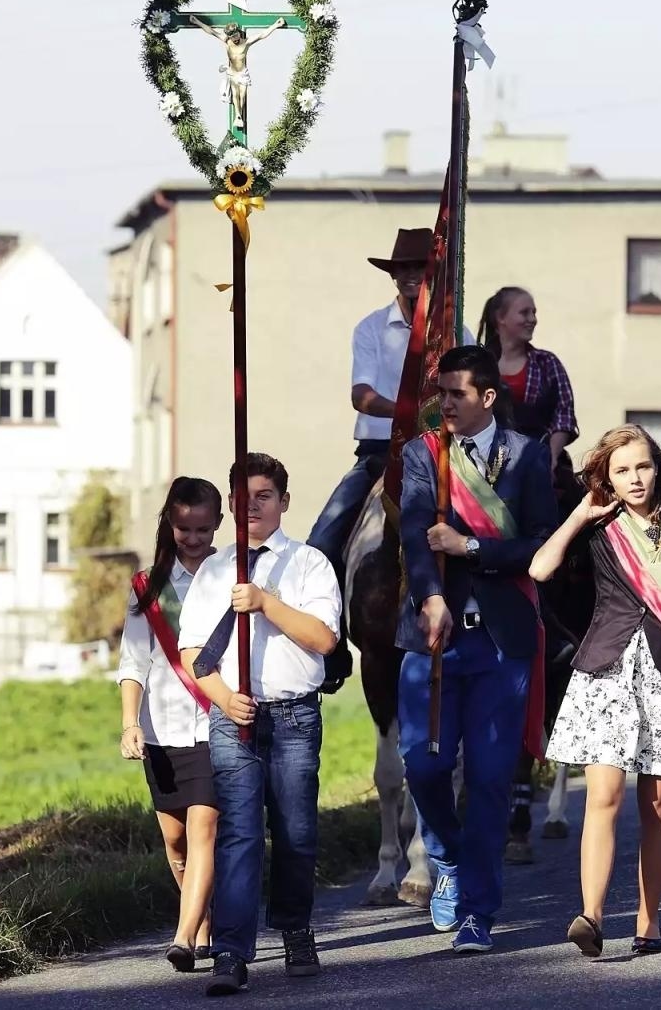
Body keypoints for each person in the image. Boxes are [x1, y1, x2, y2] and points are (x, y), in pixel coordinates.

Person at [531, 425, 661, 958]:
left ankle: (649, 922)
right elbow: (539, 568)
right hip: (608, 671)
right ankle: (590, 917)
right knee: (603, 795)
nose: (634, 478)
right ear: (607, 479)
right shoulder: (601, 526)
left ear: (658, 467)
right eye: (621, 470)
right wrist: (579, 514)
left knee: (660, 805)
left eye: (641, 466)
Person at [395, 345, 556, 953]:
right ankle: (445, 856)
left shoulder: (527, 456)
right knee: (424, 765)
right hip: (432, 636)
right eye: (440, 394)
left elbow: (541, 546)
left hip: (501, 642)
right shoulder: (422, 452)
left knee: (489, 780)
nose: (445, 404)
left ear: (487, 398)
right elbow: (415, 531)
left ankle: (477, 914)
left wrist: (472, 550)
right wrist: (430, 593)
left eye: (456, 394)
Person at [177, 454, 342, 997]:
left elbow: (323, 639)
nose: (253, 507)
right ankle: (230, 950)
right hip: (235, 720)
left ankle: (295, 928)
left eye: (265, 496)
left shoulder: (310, 564)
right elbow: (194, 650)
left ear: (284, 502)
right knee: (240, 835)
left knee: (296, 832)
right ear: (230, 505)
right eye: (243, 498)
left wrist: (266, 603)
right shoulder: (216, 570)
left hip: (294, 715)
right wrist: (224, 698)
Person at [307, 228, 473, 687]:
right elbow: (361, 395)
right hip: (382, 452)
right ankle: (332, 651)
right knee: (321, 541)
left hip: (447, 453)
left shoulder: (457, 331)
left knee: (506, 523)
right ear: (392, 275)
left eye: (418, 269)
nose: (408, 277)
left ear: (432, 275)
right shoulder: (370, 328)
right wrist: (408, 412)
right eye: (401, 269)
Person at [119, 476, 224, 972]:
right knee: (175, 841)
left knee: (204, 828)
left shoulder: (232, 576)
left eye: (203, 529)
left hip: (213, 724)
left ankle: (185, 935)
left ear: (218, 525)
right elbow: (132, 661)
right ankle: (201, 915)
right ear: (170, 525)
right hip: (160, 727)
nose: (194, 538)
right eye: (184, 529)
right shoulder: (148, 586)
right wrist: (128, 724)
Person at [476, 286, 580, 466]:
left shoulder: (547, 363)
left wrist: (551, 459)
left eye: (534, 313)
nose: (532, 319)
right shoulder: (478, 365)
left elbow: (564, 415)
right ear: (501, 318)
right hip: (485, 463)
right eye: (524, 313)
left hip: (538, 461)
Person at [190, 16, 290, 130]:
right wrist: (197, 22)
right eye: (233, 37)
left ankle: (239, 116)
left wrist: (275, 25)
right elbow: (211, 31)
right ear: (229, 37)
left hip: (243, 73)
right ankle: (238, 116)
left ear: (238, 33)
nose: (235, 38)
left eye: (236, 35)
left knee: (243, 95)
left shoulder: (246, 42)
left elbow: (262, 35)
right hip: (233, 73)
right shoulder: (227, 41)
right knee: (235, 93)